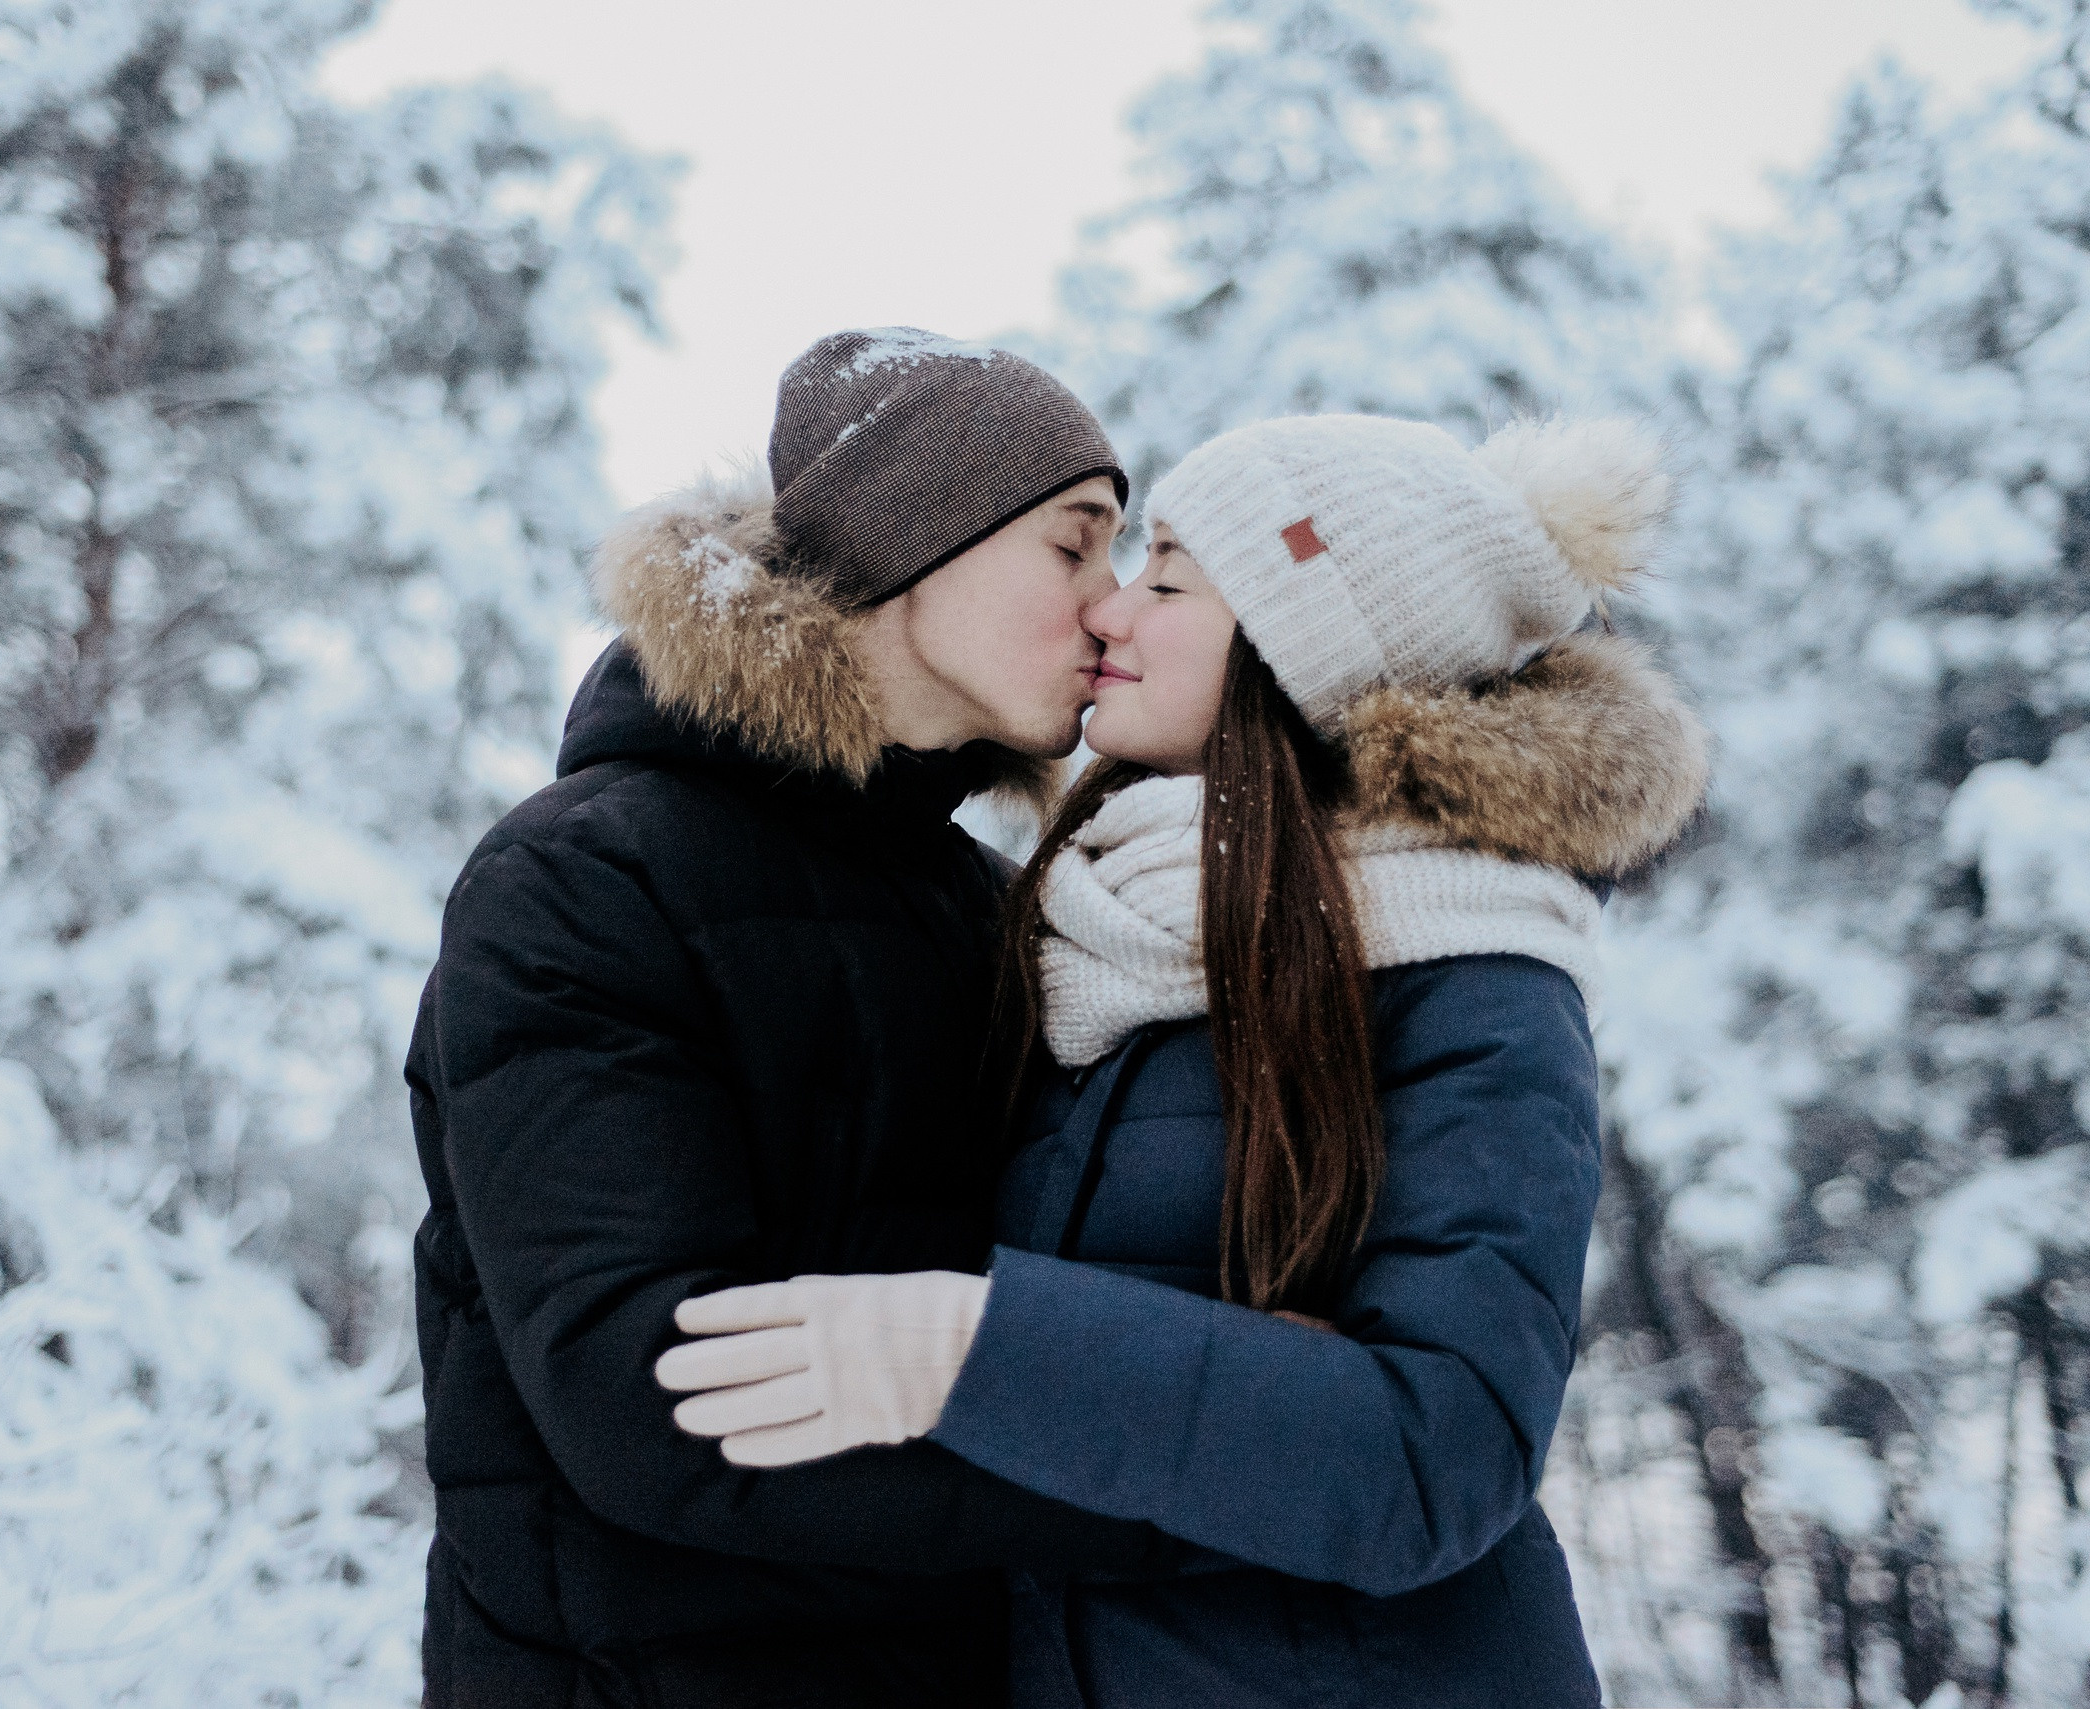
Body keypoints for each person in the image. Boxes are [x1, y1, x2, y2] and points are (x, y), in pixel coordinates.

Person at [656, 413, 1714, 1707]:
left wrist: (968, 1351)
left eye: (1167, 580)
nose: (1114, 615)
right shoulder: (1094, 937)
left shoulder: (1475, 976)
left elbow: (1433, 1455)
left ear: (1306, 648)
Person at [406, 328, 1188, 1709]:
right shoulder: (583, 882)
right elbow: (658, 1395)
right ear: (913, 540)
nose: (1112, 608)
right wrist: (1200, 1472)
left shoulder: (1001, 909)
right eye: (1074, 548)